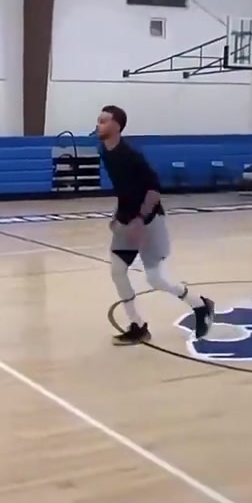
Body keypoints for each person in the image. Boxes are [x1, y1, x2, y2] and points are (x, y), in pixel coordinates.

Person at [97, 105, 215, 345]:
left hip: (149, 221)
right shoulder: (105, 152)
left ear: (117, 126)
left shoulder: (130, 155)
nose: (98, 124)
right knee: (117, 271)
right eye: (98, 120)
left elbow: (153, 190)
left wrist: (140, 220)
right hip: (127, 221)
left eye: (104, 121)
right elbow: (125, 189)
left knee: (155, 279)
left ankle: (200, 304)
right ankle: (138, 325)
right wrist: (118, 215)